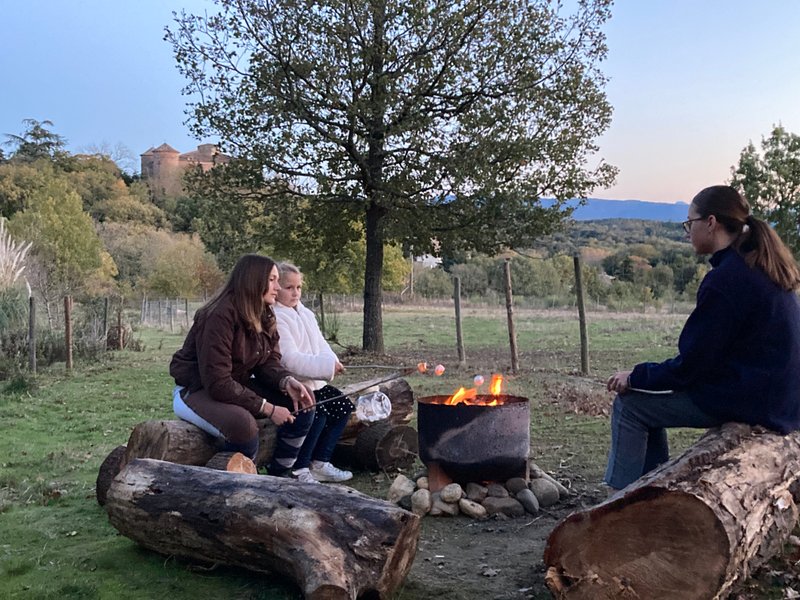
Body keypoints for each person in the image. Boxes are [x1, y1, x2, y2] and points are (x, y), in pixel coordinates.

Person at [605, 185, 800, 490]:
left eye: (690, 223)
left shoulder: (727, 280)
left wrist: (636, 377)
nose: (687, 232)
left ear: (711, 223)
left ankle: (618, 503)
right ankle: (647, 495)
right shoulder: (761, 265)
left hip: (755, 401)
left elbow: (692, 366)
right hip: (782, 398)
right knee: (645, 400)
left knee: (630, 405)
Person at [169, 254, 317, 479]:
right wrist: (268, 408)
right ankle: (241, 485)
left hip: (235, 385)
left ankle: (280, 476)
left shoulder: (264, 312)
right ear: (253, 281)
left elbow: (268, 361)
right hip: (196, 389)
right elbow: (217, 382)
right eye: (272, 280)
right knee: (243, 426)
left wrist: (285, 381)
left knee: (304, 403)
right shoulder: (219, 315)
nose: (277, 287)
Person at [272, 262, 354, 483]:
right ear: (276, 287)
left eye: (298, 287)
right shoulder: (277, 317)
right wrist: (324, 368)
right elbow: (289, 359)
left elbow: (320, 343)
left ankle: (320, 462)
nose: (295, 293)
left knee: (343, 406)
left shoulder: (306, 313)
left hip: (316, 382)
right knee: (316, 414)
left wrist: (333, 361)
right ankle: (300, 468)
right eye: (289, 287)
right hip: (294, 384)